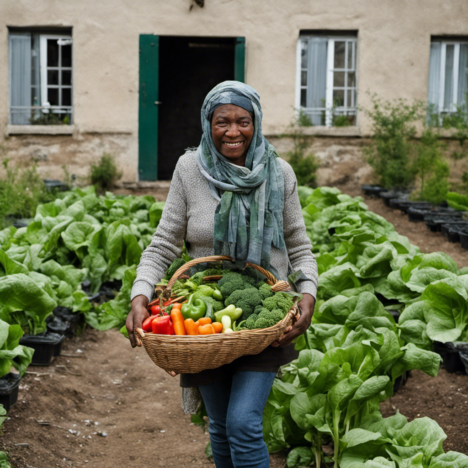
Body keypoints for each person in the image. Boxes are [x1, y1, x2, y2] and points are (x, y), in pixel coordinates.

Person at [126, 81, 318, 468]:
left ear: (257, 122)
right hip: (205, 319)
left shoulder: (279, 173)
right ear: (207, 123)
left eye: (243, 121)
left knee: (243, 423)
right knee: (219, 426)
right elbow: (164, 242)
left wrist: (308, 294)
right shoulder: (189, 169)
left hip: (265, 314)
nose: (233, 132)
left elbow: (299, 247)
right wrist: (140, 294)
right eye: (222, 122)